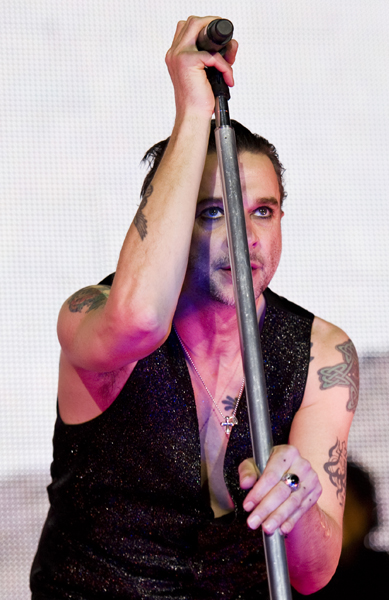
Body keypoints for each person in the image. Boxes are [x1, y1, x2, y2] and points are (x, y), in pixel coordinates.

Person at [30, 16, 358, 599]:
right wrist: (191, 111)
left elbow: (313, 573)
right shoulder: (91, 314)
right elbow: (138, 319)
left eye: (262, 212)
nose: (246, 236)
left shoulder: (322, 353)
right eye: (213, 212)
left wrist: (296, 501)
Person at [292, 462, 389, 599]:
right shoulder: (297, 582)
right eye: (320, 510)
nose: (334, 519)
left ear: (366, 508)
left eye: (345, 507)